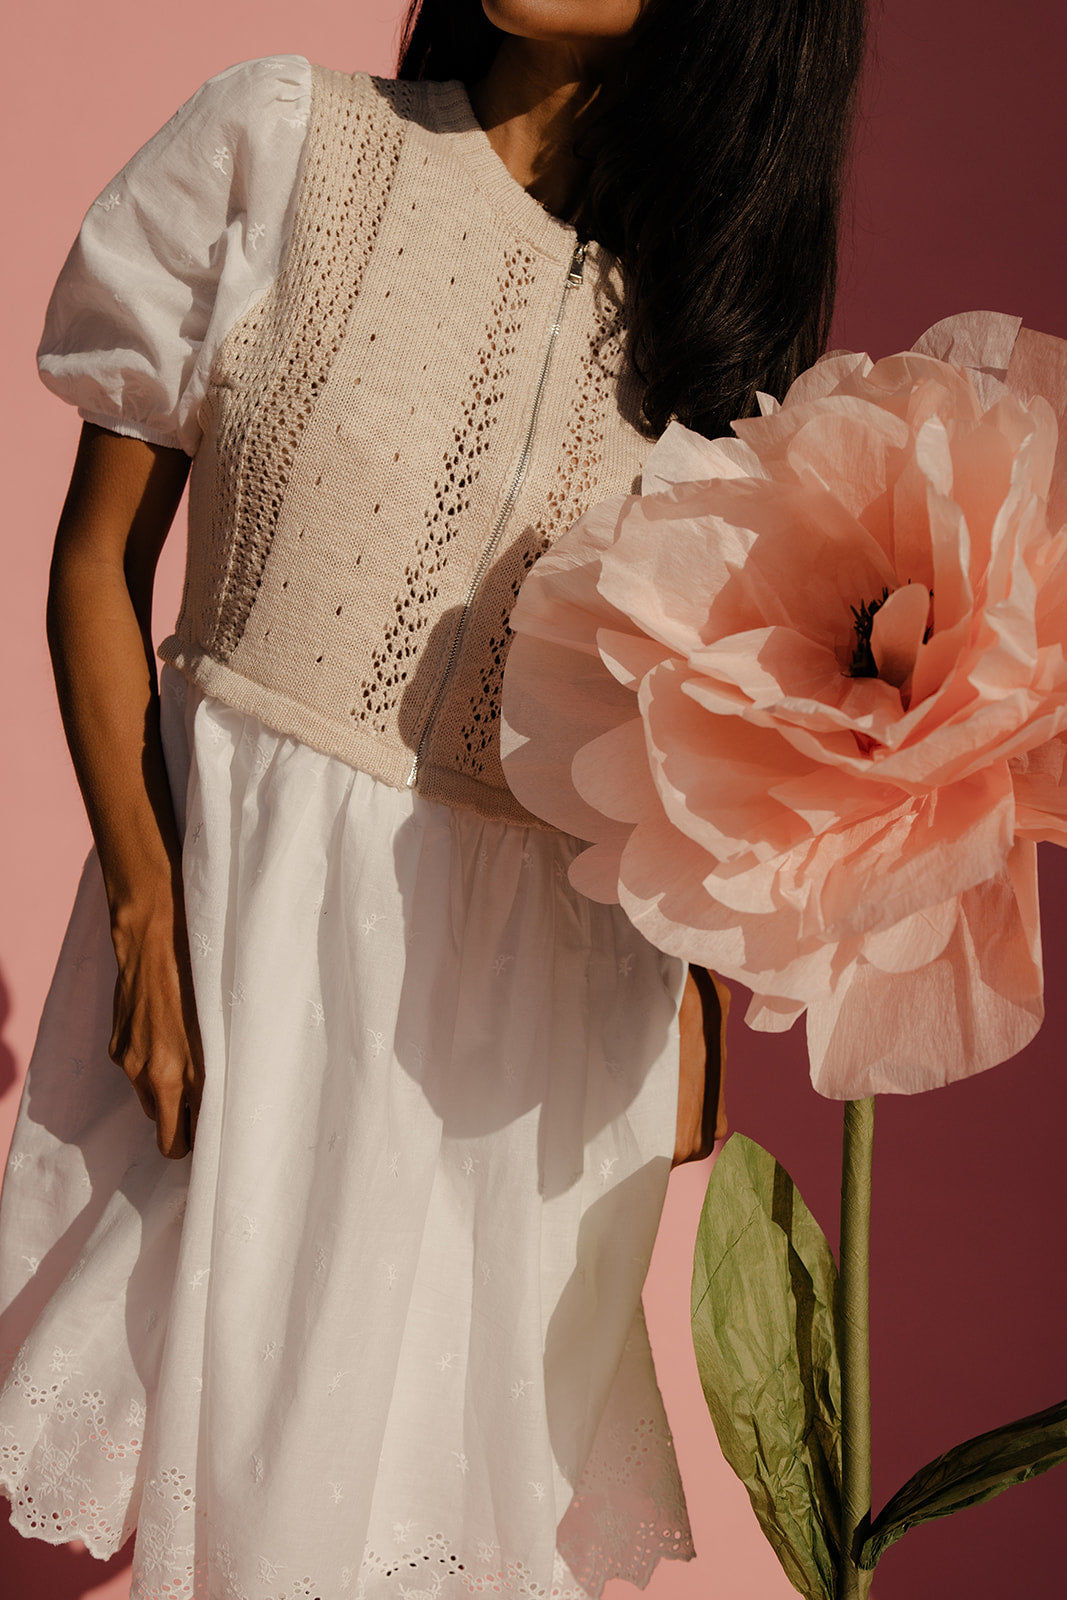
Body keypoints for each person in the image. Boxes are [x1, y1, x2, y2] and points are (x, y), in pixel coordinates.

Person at [0, 1, 867, 1595]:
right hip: (251, 951)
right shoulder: (282, 145)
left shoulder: (708, 338)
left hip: (528, 1043)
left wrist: (693, 989)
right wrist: (141, 901)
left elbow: (689, 737)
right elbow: (92, 566)